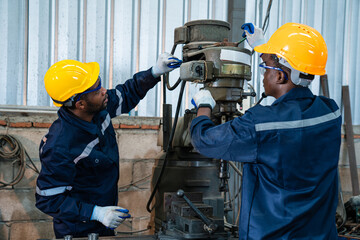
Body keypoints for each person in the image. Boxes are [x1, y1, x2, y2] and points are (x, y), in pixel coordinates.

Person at [190, 22, 341, 239]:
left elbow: (204, 140)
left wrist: (204, 106)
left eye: (265, 68)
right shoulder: (330, 113)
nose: (262, 75)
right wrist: (264, 48)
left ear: (280, 76)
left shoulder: (260, 124)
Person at [35, 53, 181, 238]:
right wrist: (96, 213)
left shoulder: (97, 109)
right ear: (80, 103)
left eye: (100, 84)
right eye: (97, 90)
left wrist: (154, 72)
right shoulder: (61, 145)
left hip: (105, 216)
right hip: (78, 228)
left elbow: (126, 94)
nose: (104, 91)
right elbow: (48, 199)